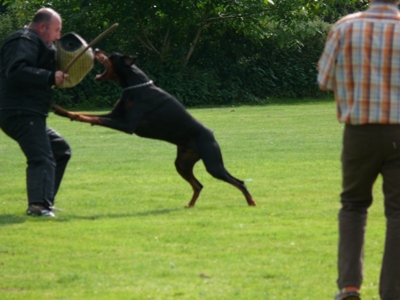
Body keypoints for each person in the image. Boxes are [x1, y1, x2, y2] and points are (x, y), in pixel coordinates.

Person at [318, 0, 400, 299]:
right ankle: (393, 291)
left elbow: (324, 80)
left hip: (359, 132)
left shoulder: (345, 26)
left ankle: (349, 287)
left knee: (353, 205)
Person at [0, 8, 71, 217]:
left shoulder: (37, 43)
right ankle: (38, 207)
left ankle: (45, 202)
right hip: (19, 111)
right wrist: (50, 77)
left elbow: (50, 60)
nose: (58, 36)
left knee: (59, 150)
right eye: (56, 30)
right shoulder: (23, 40)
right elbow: (16, 71)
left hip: (28, 112)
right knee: (41, 157)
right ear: (42, 27)